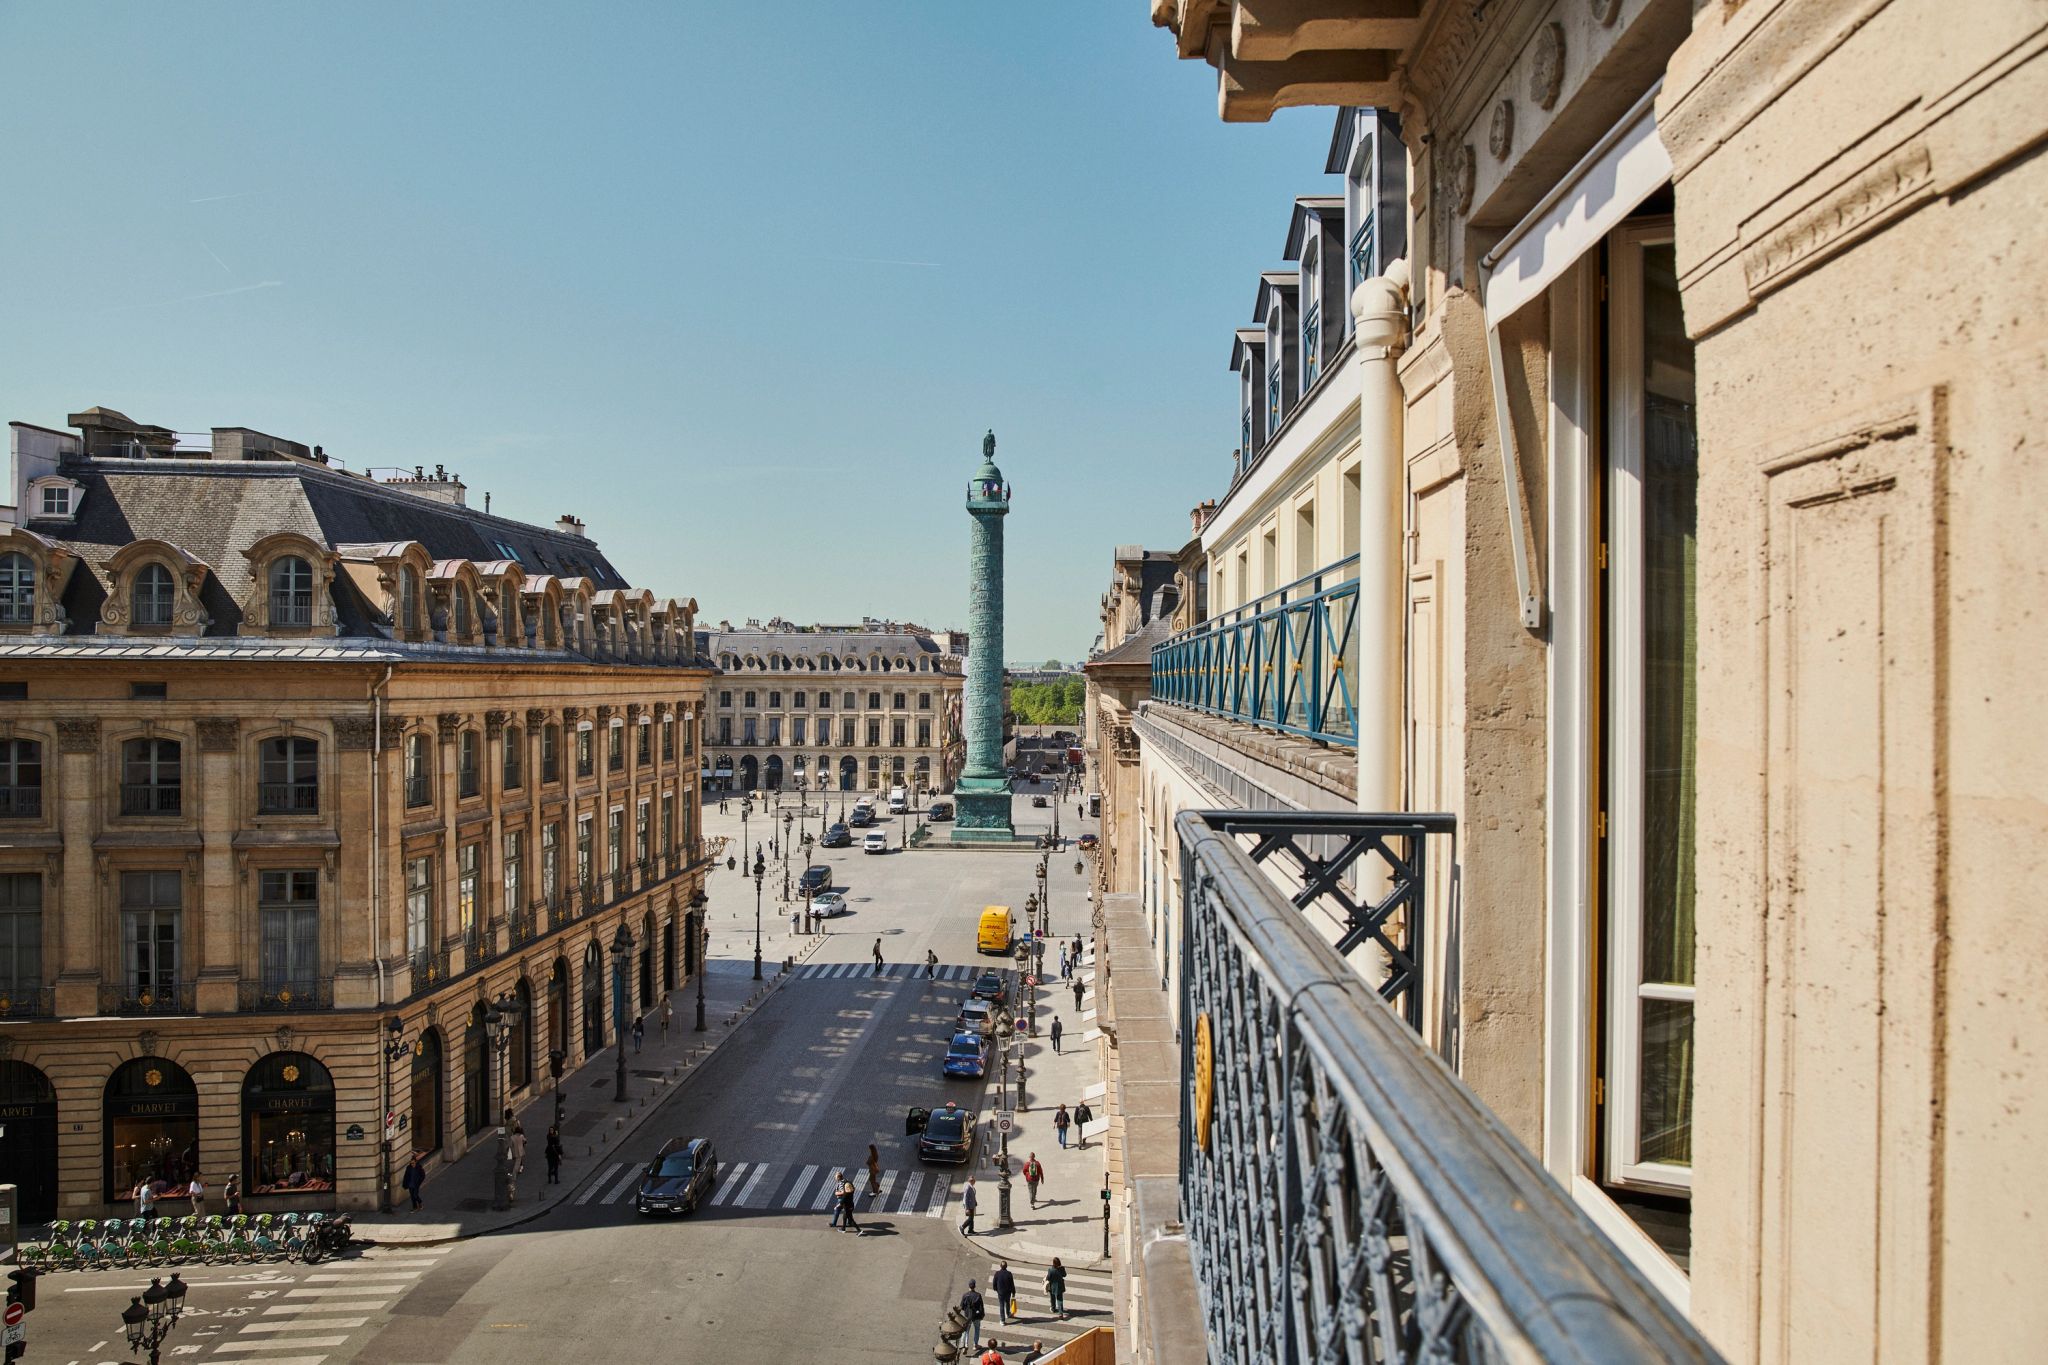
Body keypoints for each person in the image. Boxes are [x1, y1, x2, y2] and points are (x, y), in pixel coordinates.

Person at [959, 1281, 986, 1350]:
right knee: (977, 1329)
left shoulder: (965, 1295)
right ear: (975, 1286)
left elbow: (961, 1306)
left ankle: (966, 1344)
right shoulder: (978, 1295)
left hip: (968, 1315)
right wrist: (982, 1315)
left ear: (969, 1286)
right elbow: (981, 1307)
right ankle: (975, 1345)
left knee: (966, 1330)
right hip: (976, 1316)